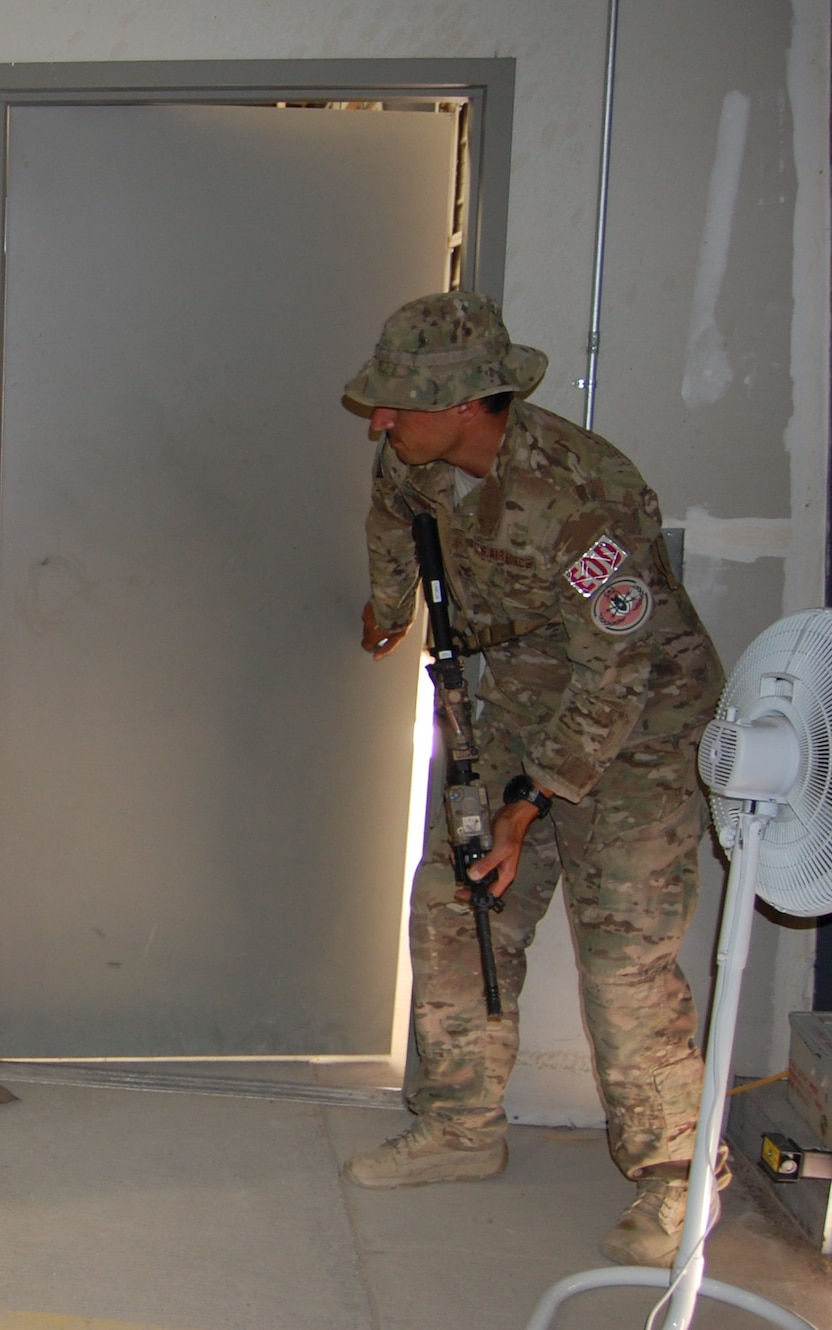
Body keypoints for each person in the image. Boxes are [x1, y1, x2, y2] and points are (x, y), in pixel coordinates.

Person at [341, 292, 724, 1267]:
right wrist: (389, 602)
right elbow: (391, 511)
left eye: (399, 403)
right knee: (456, 910)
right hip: (509, 702)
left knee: (623, 954)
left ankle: (677, 1177)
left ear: (470, 401)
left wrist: (530, 802)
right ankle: (457, 1127)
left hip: (634, 734)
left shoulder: (580, 494)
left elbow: (617, 673)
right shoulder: (413, 459)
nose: (380, 420)